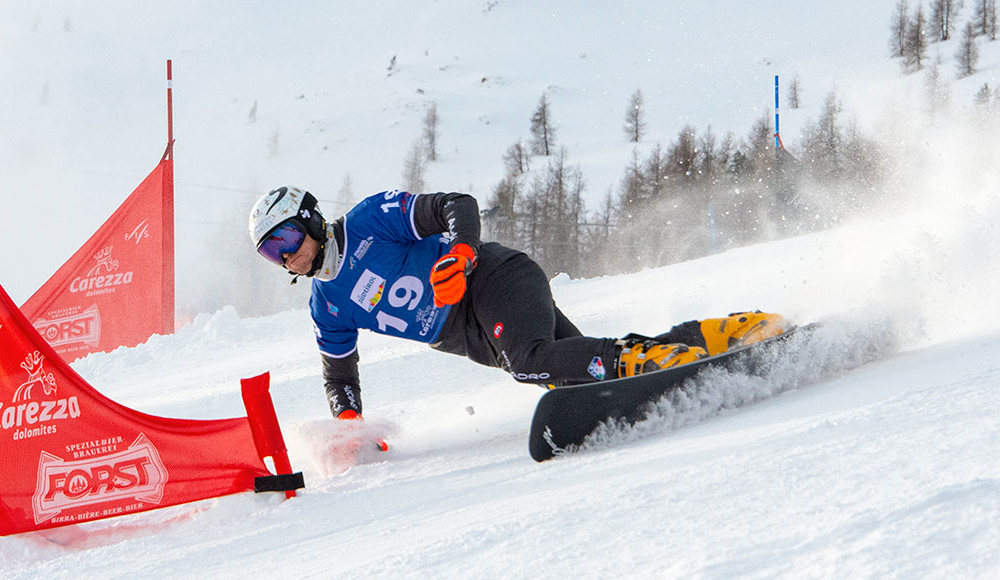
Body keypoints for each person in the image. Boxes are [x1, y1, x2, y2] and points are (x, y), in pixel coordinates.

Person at [248, 186, 786, 425]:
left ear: (313, 220)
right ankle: (712, 337)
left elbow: (455, 206)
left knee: (531, 361)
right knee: (569, 367)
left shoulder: (369, 220)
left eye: (287, 238)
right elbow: (339, 376)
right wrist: (348, 422)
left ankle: (645, 365)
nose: (286, 257)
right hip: (476, 336)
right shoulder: (327, 307)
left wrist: (459, 254)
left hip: (492, 279)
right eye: (272, 253)